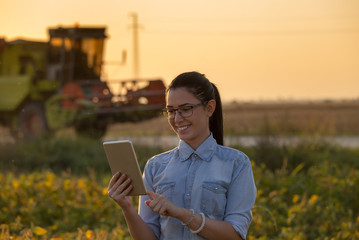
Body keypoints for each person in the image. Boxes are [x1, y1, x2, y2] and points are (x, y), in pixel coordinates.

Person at [108, 71, 257, 240]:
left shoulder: (236, 164)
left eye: (185, 109)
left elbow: (235, 235)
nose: (177, 119)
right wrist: (126, 207)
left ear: (210, 108)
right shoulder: (155, 166)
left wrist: (181, 214)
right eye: (171, 111)